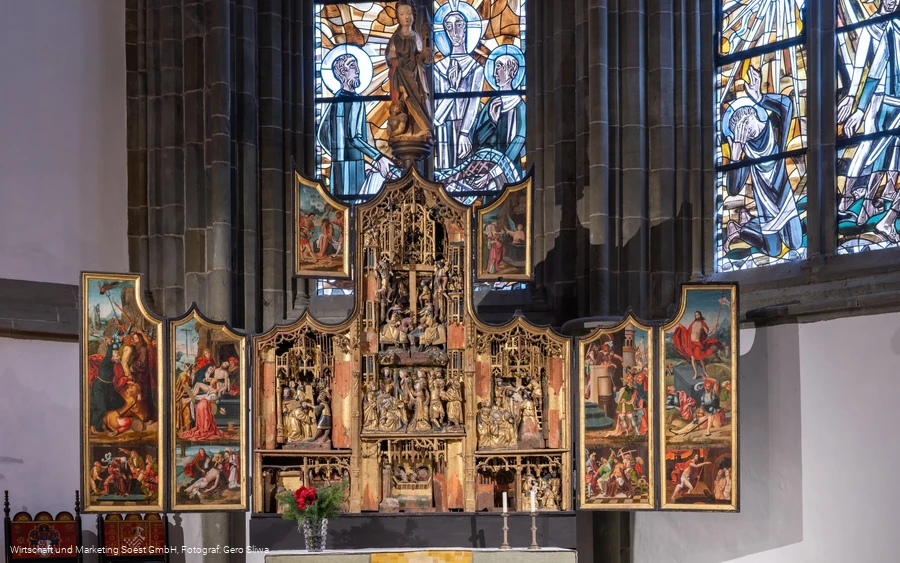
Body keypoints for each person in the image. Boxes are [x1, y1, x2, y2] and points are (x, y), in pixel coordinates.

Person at [723, 64, 803, 257]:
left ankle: (747, 222)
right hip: (765, 207)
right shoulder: (746, 151)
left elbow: (787, 105)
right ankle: (740, 229)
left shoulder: (775, 128)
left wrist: (760, 97)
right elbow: (733, 189)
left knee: (796, 243)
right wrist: (735, 158)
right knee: (774, 251)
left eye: (744, 122)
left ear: (752, 113)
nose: (744, 130)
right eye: (738, 129)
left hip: (784, 199)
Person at [317, 52, 391, 196]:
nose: (357, 70)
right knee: (356, 202)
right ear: (343, 72)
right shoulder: (355, 100)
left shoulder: (336, 99)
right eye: (352, 66)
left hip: (338, 166)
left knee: (341, 202)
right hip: (354, 167)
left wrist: (338, 154)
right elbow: (354, 138)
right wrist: (378, 158)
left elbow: (322, 135)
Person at [433, 5, 484, 167]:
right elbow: (436, 117)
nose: (455, 32)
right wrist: (453, 90)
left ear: (466, 28)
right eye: (449, 27)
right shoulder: (437, 69)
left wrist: (464, 133)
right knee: (445, 175)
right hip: (443, 131)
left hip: (467, 129)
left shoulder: (476, 69)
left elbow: (473, 104)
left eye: (459, 25)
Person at [386, 1, 433, 139]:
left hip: (414, 74)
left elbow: (422, 53)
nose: (406, 17)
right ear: (398, 17)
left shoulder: (415, 36)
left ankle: (422, 128)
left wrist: (425, 55)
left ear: (414, 16)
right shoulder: (396, 37)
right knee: (403, 100)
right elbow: (389, 54)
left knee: (418, 98)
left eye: (409, 13)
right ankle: (405, 129)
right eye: (402, 14)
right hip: (400, 74)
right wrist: (393, 58)